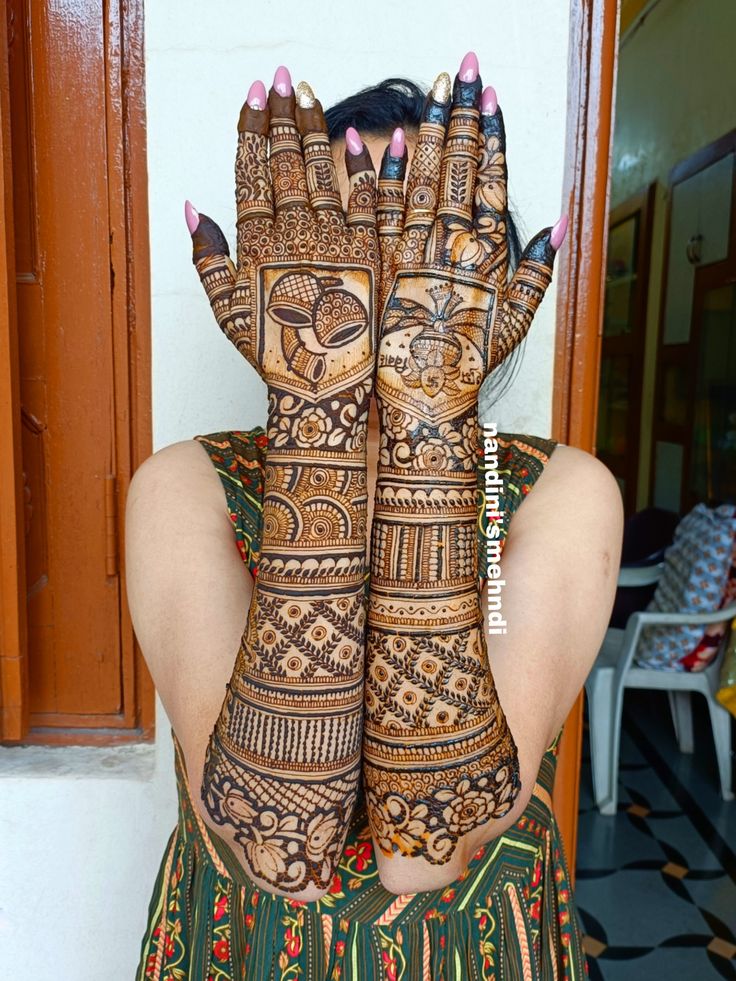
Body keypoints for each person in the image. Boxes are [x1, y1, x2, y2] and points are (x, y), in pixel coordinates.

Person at [127, 52, 622, 980]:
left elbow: (421, 851)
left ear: (492, 293)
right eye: (350, 251)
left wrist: (427, 421)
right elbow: (287, 854)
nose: (386, 292)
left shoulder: (559, 496)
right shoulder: (183, 487)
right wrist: (323, 418)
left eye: (422, 251)